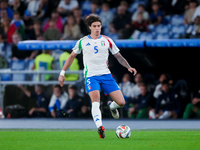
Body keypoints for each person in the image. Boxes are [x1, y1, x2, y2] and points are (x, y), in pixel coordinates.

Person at [58, 14, 137, 139]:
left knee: (121, 102)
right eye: (94, 26)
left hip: (106, 75)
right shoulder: (83, 41)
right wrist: (62, 73)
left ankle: (112, 105)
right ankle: (100, 127)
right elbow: (71, 56)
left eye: (99, 26)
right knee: (96, 101)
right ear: (90, 27)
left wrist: (128, 67)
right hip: (91, 76)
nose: (97, 28)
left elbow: (118, 57)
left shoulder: (107, 40)